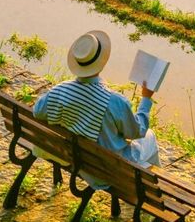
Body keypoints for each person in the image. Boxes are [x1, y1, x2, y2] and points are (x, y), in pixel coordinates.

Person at [33, 30, 160, 188]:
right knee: (150, 136)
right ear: (103, 61)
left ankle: (144, 179)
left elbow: (37, 111)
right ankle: (151, 187)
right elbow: (136, 132)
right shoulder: (115, 101)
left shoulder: (60, 91)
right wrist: (146, 99)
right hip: (106, 171)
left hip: (77, 160)